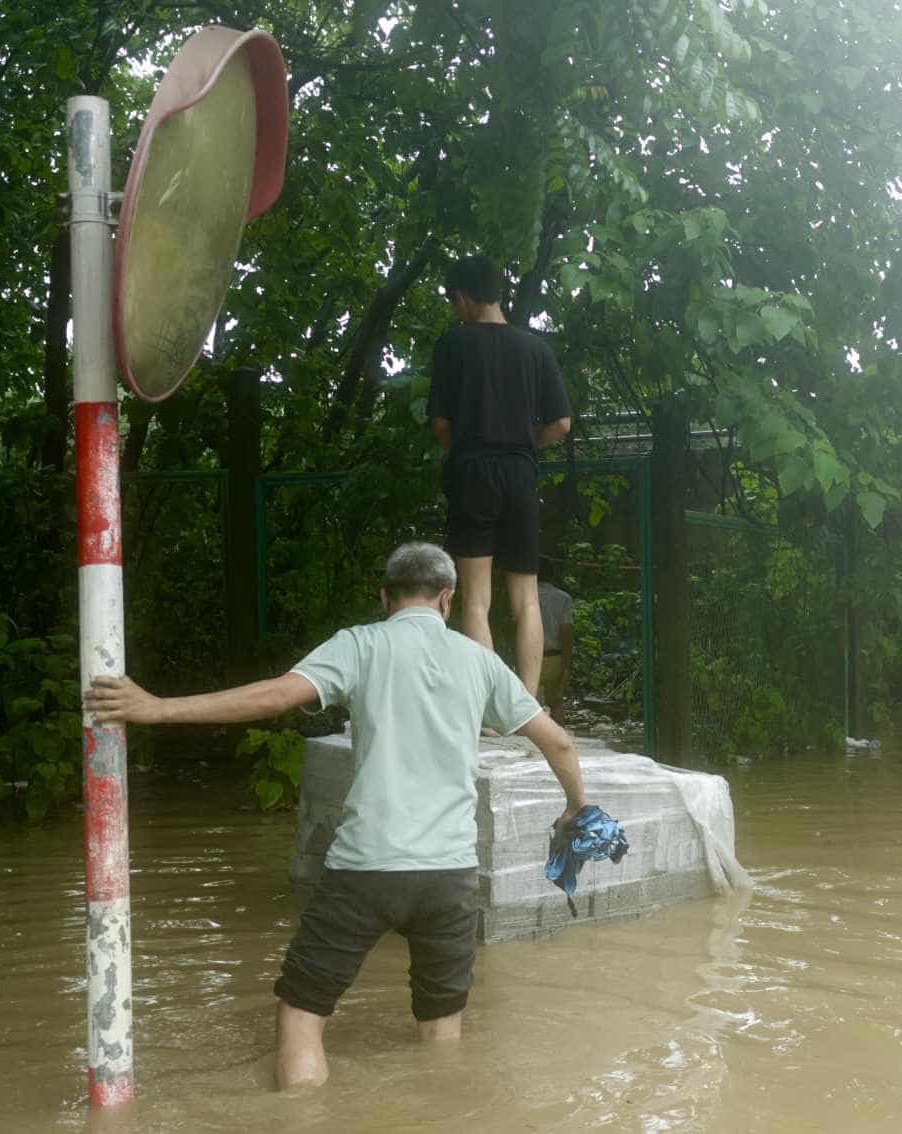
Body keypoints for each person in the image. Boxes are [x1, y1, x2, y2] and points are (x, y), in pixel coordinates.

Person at [83, 542, 587, 1090]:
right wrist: (574, 808)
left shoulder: (360, 645)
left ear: (384, 598)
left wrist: (155, 708)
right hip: (449, 878)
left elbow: (274, 696)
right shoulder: (479, 660)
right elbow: (558, 744)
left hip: (364, 870)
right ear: (447, 598)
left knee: (302, 1013)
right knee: (442, 1033)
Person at [426, 255, 573, 696]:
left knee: (476, 599)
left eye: (454, 301)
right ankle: (526, 707)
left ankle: (492, 707)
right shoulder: (535, 349)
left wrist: (465, 454)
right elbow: (561, 423)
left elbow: (440, 423)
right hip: (521, 473)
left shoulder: (453, 345)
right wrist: (527, 445)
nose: (454, 310)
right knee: (526, 597)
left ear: (466, 298)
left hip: (473, 470)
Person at [536, 557, 574, 711]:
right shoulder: (563, 598)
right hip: (554, 657)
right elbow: (566, 633)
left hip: (528, 657)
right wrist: (566, 665)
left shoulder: (524, 597)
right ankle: (559, 733)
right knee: (556, 702)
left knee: (529, 705)